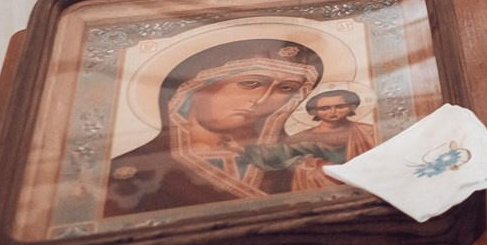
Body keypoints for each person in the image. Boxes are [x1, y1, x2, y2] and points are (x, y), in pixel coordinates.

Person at [101, 39, 324, 218]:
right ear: (193, 89)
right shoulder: (131, 170)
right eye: (250, 83)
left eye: (286, 88)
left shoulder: (297, 159)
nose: (262, 100)